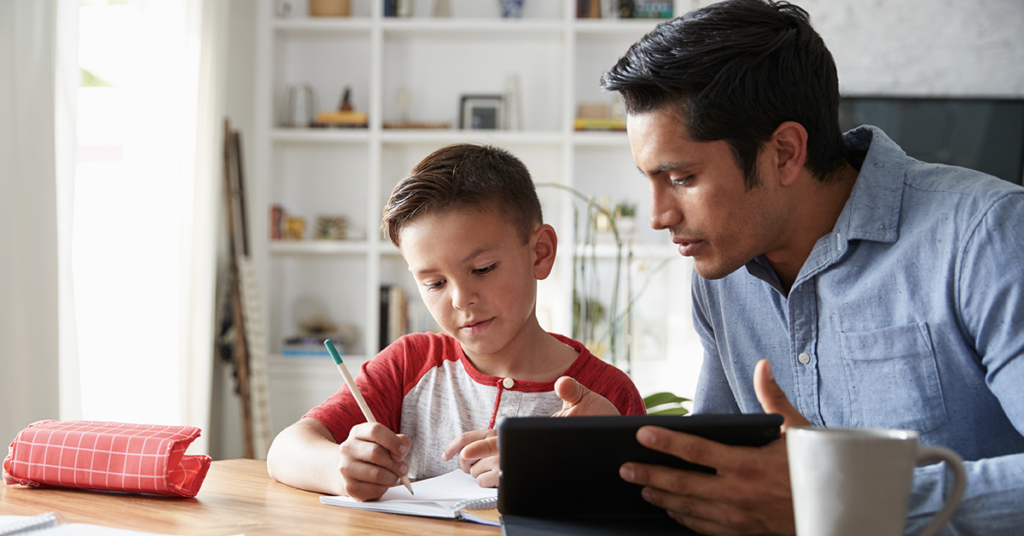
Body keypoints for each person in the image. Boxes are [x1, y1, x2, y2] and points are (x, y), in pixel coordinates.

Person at [527, 0, 1024, 534]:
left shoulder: (987, 234)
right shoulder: (722, 275)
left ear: (785, 152)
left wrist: (839, 500)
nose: (658, 216)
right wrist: (623, 453)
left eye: (682, 178)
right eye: (649, 179)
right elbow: (727, 473)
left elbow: (803, 501)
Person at [265, 144, 646, 501]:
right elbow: (286, 450)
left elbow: (639, 509)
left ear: (540, 253)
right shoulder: (409, 364)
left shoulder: (605, 394)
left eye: (483, 268)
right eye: (434, 283)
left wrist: (569, 468)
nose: (461, 299)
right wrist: (340, 469)